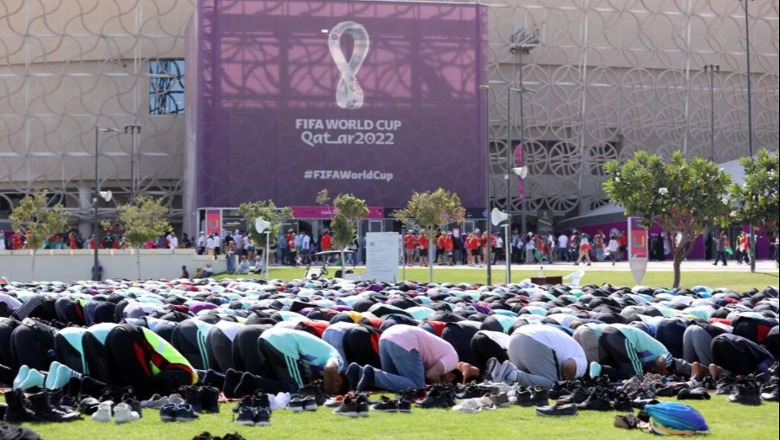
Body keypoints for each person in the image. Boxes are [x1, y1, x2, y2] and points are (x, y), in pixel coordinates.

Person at [347, 324, 464, 393]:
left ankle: (359, 371)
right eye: (447, 384)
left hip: (387, 336)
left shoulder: (445, 353)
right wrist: (440, 389)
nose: (443, 384)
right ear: (451, 376)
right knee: (418, 387)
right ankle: (373, 375)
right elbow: (431, 375)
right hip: (405, 340)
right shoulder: (453, 359)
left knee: (393, 383)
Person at [489, 325, 587, 388]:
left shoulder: (573, 347)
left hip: (516, 337)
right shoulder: (583, 361)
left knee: (522, 384)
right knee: (553, 385)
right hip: (537, 340)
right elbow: (569, 366)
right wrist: (569, 384)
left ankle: (497, 379)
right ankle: (511, 374)